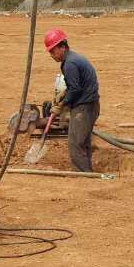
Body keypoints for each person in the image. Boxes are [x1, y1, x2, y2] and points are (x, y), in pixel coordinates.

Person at [43, 28, 100, 172]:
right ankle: (87, 173)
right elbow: (75, 86)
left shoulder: (70, 64)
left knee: (75, 143)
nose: (51, 55)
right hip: (90, 104)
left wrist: (62, 105)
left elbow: (75, 89)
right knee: (83, 142)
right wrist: (64, 94)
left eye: (53, 51)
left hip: (84, 108)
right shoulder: (73, 58)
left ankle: (82, 175)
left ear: (62, 46)